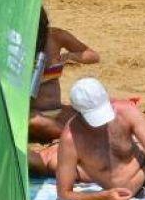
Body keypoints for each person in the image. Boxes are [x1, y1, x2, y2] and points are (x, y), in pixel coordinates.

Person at [28, 8, 100, 142]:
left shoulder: (56, 37)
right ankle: (76, 138)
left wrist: (71, 56)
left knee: (93, 116)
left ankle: (71, 135)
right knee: (35, 122)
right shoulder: (17, 44)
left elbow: (93, 56)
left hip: (57, 109)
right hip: (33, 114)